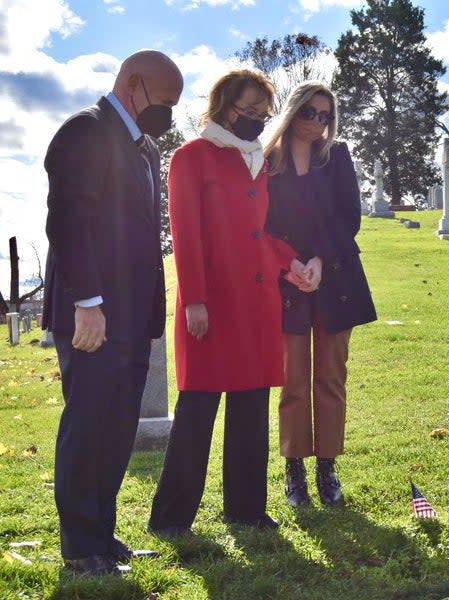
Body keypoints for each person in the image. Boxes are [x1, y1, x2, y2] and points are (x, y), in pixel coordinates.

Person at [43, 50, 183, 575]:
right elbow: (70, 223)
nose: (167, 113)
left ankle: (101, 533)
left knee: (117, 427)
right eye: (164, 102)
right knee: (88, 425)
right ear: (134, 84)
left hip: (130, 315)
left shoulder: (143, 148)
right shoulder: (85, 131)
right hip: (93, 313)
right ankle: (80, 549)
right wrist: (87, 304)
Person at [148, 69, 306, 535]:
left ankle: (246, 510)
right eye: (247, 110)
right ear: (223, 106)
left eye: (263, 112)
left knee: (252, 409)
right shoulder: (190, 157)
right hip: (212, 305)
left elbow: (260, 236)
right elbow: (185, 233)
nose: (256, 120)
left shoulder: (257, 159)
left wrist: (291, 263)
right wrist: (194, 298)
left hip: (257, 304)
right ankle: (171, 519)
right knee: (197, 411)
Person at [264, 81, 377, 507]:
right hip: (288, 279)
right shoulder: (269, 160)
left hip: (335, 278)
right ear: (294, 111)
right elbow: (264, 223)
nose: (317, 122)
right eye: (309, 112)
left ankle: (327, 467)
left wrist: (317, 260)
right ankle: (294, 470)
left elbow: (349, 217)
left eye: (326, 115)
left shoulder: (338, 157)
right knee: (293, 379)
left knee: (331, 377)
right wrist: (291, 263)